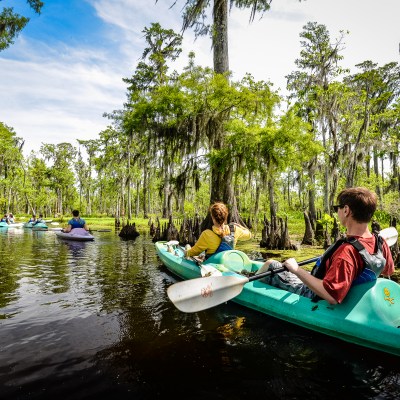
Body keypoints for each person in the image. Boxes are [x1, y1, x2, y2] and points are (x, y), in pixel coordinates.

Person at [257, 187, 395, 305]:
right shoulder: (380, 243)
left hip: (316, 296)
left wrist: (296, 270)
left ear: (346, 210)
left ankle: (249, 287)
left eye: (338, 208)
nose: (337, 211)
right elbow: (388, 271)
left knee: (270, 264)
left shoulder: (347, 252)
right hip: (352, 298)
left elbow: (332, 296)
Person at [184, 202, 252, 259]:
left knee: (187, 247)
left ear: (212, 217)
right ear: (226, 216)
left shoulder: (206, 234)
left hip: (212, 267)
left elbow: (195, 252)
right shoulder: (234, 229)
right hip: (227, 264)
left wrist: (187, 252)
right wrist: (239, 225)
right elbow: (249, 235)